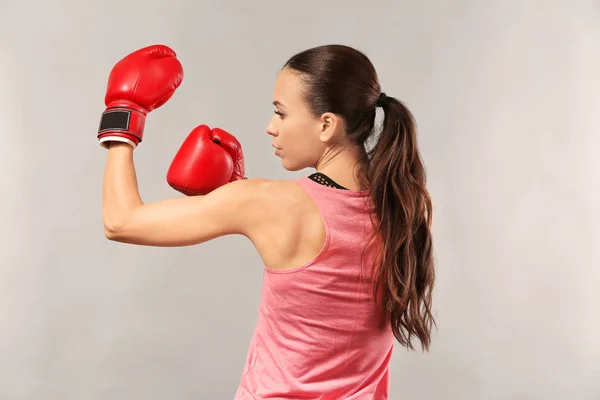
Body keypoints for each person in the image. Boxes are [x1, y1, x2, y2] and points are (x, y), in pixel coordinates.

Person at [98, 43, 435, 399]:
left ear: (326, 125)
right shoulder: (404, 209)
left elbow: (120, 221)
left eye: (282, 113)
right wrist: (237, 191)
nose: (271, 128)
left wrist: (124, 114)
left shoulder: (269, 204)